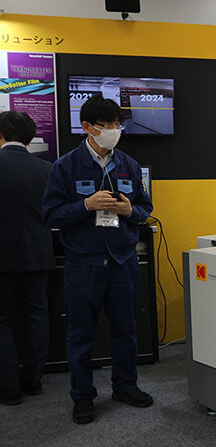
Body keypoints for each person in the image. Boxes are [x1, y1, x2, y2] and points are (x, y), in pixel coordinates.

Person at [42, 95, 153, 424]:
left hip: (122, 260)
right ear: (87, 127)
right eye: (106, 126)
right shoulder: (65, 167)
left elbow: (145, 208)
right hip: (84, 263)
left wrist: (131, 210)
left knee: (125, 329)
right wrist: (86, 205)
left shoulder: (129, 165)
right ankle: (82, 396)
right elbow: (51, 215)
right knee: (81, 333)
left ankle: (125, 386)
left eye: (118, 125)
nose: (113, 131)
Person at [0, 111, 56, 406]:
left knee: (2, 320)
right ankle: (33, 380)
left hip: (2, 257)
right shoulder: (48, 169)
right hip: (38, 253)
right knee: (37, 316)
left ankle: (8, 387)